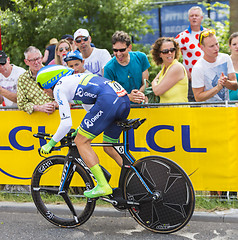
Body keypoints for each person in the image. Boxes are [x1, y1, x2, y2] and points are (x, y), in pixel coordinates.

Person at [37, 65, 130, 198]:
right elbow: (90, 108)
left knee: (81, 141)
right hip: (122, 99)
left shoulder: (59, 88)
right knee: (109, 146)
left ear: (48, 82)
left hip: (108, 101)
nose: (44, 92)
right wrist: (82, 129)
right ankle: (136, 177)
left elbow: (66, 124)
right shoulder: (76, 79)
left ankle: (103, 185)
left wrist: (51, 143)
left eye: (42, 87)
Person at [104, 31, 150, 104]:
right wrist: (129, 97)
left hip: (141, 107)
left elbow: (146, 83)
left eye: (122, 50)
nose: (118, 54)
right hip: (121, 110)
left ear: (129, 47)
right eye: (115, 50)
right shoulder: (108, 68)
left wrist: (137, 95)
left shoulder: (141, 57)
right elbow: (110, 94)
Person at [192, 29, 238, 102]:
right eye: (211, 46)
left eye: (217, 44)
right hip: (209, 111)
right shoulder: (198, 68)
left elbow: (235, 86)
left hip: (226, 108)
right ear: (202, 48)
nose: (216, 48)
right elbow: (198, 97)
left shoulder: (225, 58)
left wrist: (226, 82)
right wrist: (217, 88)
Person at [175, 6, 205, 102]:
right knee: (192, 103)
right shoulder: (182, 36)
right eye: (192, 16)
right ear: (189, 18)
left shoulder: (208, 34)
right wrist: (184, 71)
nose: (194, 18)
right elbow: (171, 56)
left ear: (201, 18)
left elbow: (215, 52)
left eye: (197, 15)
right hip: (191, 79)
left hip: (207, 77)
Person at [17, 46, 56, 114]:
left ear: (42, 58)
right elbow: (21, 104)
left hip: (56, 115)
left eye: (37, 58)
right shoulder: (22, 79)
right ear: (26, 62)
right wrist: (38, 108)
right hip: (34, 120)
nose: (36, 62)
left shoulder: (52, 72)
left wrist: (55, 103)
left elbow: (63, 94)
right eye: (32, 60)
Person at [150, 37, 188, 103]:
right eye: (165, 51)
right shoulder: (165, 67)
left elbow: (157, 91)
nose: (170, 53)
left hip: (178, 111)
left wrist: (154, 82)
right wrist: (154, 83)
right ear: (159, 54)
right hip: (166, 111)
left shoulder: (176, 67)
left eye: (172, 50)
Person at [228, 32, 238, 100]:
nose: (237, 46)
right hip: (229, 105)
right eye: (234, 44)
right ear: (230, 46)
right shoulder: (225, 62)